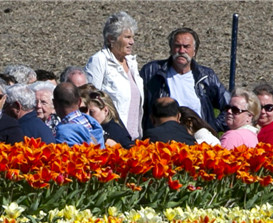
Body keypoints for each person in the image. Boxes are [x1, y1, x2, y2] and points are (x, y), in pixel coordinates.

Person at [140, 27, 230, 133]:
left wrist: (210, 127)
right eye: (177, 46)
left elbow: (230, 106)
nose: (181, 51)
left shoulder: (206, 76)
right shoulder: (152, 72)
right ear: (171, 48)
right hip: (163, 140)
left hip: (197, 142)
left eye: (186, 47)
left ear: (194, 51)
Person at [85, 11, 144, 139]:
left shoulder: (132, 63)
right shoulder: (99, 60)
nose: (132, 42)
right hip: (112, 136)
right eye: (127, 37)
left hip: (134, 137)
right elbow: (91, 99)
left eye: (133, 37)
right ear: (111, 39)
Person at [52, 82, 104, 147]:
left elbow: (67, 156)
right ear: (79, 101)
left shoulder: (63, 133)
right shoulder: (92, 123)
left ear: (54, 103)